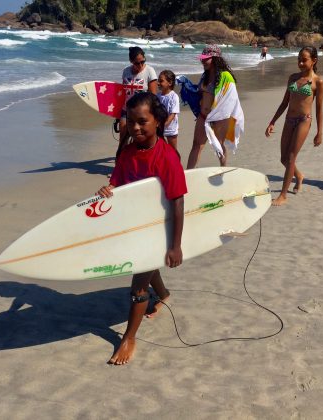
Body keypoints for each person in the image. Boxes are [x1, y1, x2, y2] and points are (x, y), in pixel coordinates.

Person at [97, 92, 186, 365]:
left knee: (138, 285)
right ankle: (165, 294)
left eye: (142, 122)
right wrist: (107, 190)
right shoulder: (127, 153)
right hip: (135, 225)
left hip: (158, 228)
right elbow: (118, 185)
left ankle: (129, 337)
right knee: (145, 268)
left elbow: (177, 202)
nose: (135, 127)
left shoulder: (167, 157)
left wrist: (174, 245)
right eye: (131, 121)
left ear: (158, 121)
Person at [265, 46, 323, 206]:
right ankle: (299, 176)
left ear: (314, 61)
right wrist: (272, 121)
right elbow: (284, 102)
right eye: (299, 59)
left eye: (304, 60)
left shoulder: (318, 81)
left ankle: (283, 195)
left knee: (291, 158)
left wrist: (319, 132)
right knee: (284, 158)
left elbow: (319, 109)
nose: (301, 63)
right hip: (289, 120)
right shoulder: (293, 78)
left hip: (304, 120)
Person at [186, 44, 244, 169]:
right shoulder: (204, 76)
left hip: (219, 118)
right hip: (203, 117)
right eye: (202, 58)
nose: (203, 61)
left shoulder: (226, 76)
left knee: (219, 145)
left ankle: (223, 169)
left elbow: (231, 99)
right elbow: (201, 95)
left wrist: (218, 116)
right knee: (197, 145)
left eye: (206, 58)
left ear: (215, 58)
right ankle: (188, 174)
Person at [117, 46, 158, 158]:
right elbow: (122, 92)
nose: (140, 65)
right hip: (127, 109)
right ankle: (120, 164)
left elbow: (153, 96)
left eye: (142, 61)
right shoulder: (126, 71)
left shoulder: (150, 71)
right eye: (136, 63)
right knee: (123, 135)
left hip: (142, 112)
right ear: (131, 61)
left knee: (140, 138)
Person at [157, 70, 180, 151]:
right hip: (159, 128)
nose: (158, 83)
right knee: (161, 149)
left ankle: (176, 163)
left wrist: (164, 125)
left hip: (170, 129)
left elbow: (172, 114)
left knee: (173, 150)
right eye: (158, 80)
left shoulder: (174, 96)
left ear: (170, 83)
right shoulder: (158, 96)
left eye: (161, 81)